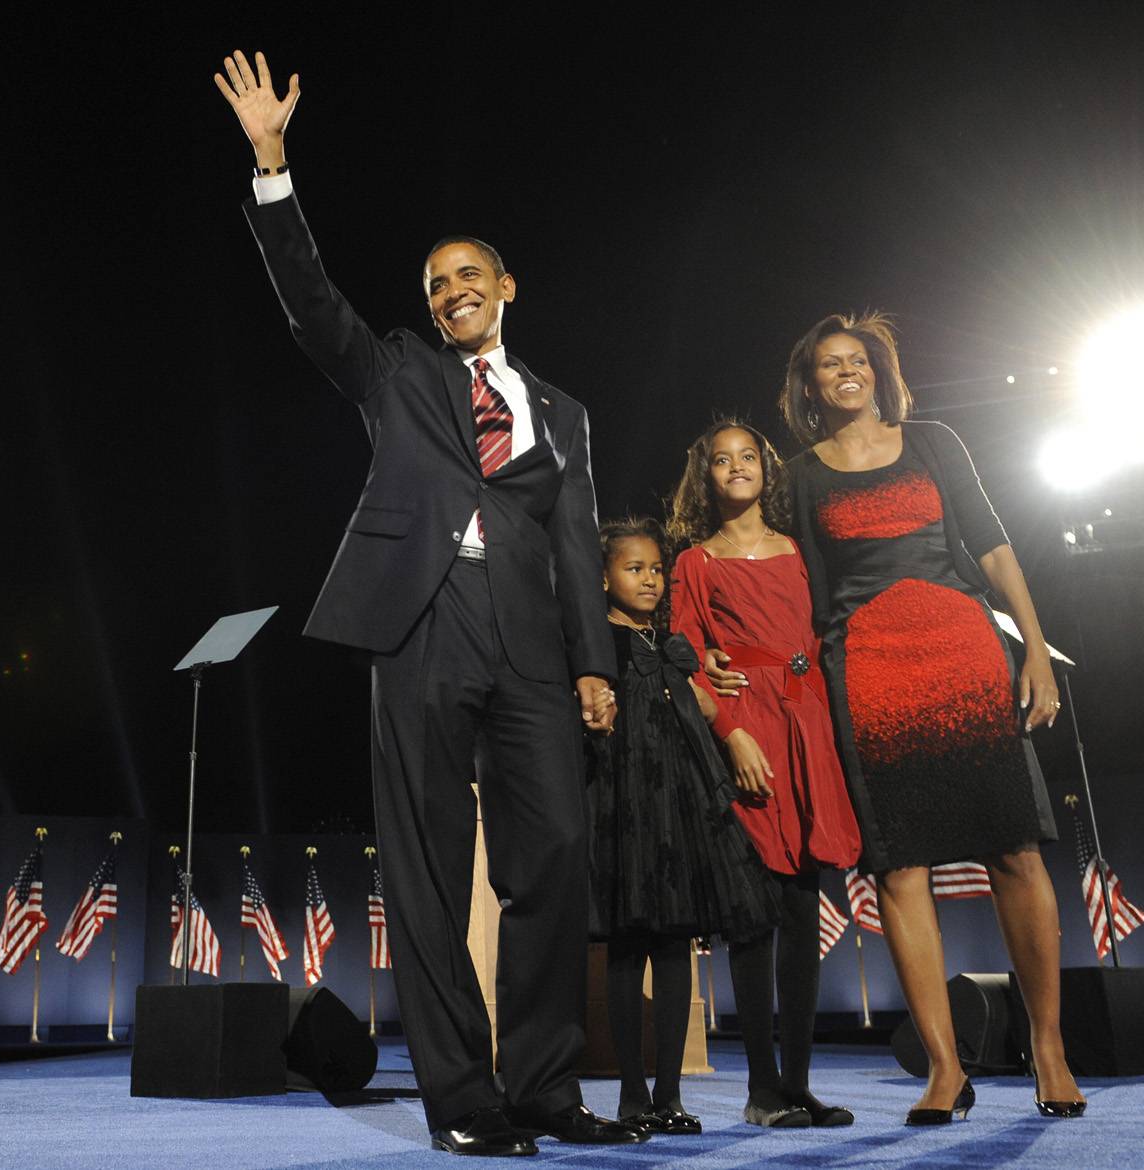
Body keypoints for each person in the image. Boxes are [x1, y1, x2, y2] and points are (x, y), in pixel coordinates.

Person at [213, 50, 642, 1156]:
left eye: (468, 276)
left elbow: (577, 537)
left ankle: (547, 1088)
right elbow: (313, 307)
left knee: (551, 864)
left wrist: (597, 665)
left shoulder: (564, 411)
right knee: (430, 867)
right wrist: (272, 163)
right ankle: (466, 1102)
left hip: (537, 649)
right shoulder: (396, 371)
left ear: (505, 288)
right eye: (434, 282)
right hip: (418, 627)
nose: (450, 290)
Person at [767, 312, 1082, 1122]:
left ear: (878, 369)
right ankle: (945, 1068)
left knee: (1014, 849)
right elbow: (803, 588)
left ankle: (1048, 1050)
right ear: (809, 387)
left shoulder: (936, 440)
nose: (847, 372)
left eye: (858, 359)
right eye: (829, 365)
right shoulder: (799, 477)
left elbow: (991, 543)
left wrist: (1036, 650)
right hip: (867, 672)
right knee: (899, 868)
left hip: (965, 654)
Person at [668, 421, 861, 1128]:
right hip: (747, 727)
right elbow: (687, 664)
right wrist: (732, 733)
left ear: (765, 469)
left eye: (748, 456)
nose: (737, 468)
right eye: (722, 460)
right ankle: (760, 1091)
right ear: (706, 476)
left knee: (803, 909)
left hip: (808, 724)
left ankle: (799, 1085)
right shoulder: (696, 561)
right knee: (756, 917)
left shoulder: (800, 550)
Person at [585, 517, 777, 1136]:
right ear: (605, 575)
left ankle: (669, 1094)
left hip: (681, 807)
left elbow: (703, 710)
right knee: (627, 945)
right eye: (633, 568)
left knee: (674, 947)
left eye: (655, 569)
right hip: (623, 807)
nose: (649, 579)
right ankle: (632, 1094)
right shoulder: (596, 647)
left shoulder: (672, 645)